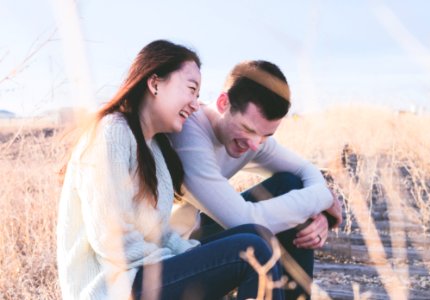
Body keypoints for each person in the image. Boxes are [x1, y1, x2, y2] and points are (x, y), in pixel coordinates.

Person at [57, 41, 284, 300]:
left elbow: (159, 232)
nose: (196, 104)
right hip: (113, 288)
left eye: (198, 96)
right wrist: (180, 264)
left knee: (257, 234)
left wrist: (191, 258)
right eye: (191, 90)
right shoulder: (112, 132)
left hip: (143, 276)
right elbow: (111, 239)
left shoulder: (154, 149)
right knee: (250, 250)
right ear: (155, 84)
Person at [169, 60, 343, 299]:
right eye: (248, 129)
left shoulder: (254, 139)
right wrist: (321, 198)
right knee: (259, 237)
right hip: (170, 258)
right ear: (223, 103)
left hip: (196, 236)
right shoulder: (189, 133)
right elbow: (242, 219)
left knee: (290, 184)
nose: (255, 144)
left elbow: (305, 170)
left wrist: (318, 214)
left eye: (266, 135)